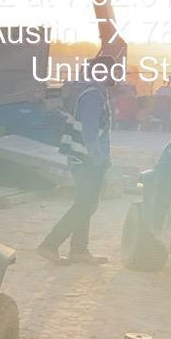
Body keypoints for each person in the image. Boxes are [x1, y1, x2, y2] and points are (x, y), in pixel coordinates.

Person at [39, 56, 116, 265]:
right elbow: (90, 132)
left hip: (83, 158)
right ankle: (50, 245)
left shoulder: (91, 91)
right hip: (87, 160)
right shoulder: (93, 96)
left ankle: (79, 251)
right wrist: (99, 159)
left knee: (86, 204)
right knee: (84, 205)